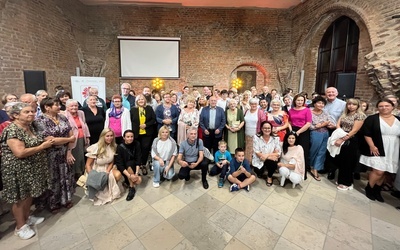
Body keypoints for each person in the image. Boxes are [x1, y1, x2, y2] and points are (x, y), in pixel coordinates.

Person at [1, 102, 53, 239]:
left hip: (31, 168)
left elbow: (37, 139)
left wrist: (45, 139)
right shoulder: (12, 130)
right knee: (20, 198)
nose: (31, 114)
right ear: (15, 115)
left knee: (29, 194)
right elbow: (20, 152)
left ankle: (27, 218)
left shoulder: (29, 127)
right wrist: (43, 146)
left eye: (32, 111)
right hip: (17, 170)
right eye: (27, 112)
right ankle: (20, 226)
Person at [34, 97, 76, 213]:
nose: (59, 107)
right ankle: (53, 202)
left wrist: (68, 149)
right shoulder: (39, 121)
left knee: (65, 175)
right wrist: (67, 139)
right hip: (50, 154)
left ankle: (65, 199)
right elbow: (50, 140)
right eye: (56, 105)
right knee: (53, 178)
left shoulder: (62, 117)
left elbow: (71, 133)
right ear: (47, 107)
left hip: (64, 151)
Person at [359, 99, 400, 202]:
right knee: (378, 170)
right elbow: (366, 133)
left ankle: (377, 190)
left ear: (392, 107)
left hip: (394, 147)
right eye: (381, 106)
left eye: (387, 106)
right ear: (378, 108)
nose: (384, 108)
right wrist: (372, 146)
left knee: (384, 170)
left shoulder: (398, 119)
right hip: (378, 146)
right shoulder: (372, 118)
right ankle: (370, 188)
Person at [333, 98, 366, 190]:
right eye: (349, 104)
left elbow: (354, 130)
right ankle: (341, 179)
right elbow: (338, 124)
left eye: (354, 104)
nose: (351, 106)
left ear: (357, 106)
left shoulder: (360, 115)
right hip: (341, 135)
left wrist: (342, 139)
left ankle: (346, 182)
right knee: (342, 160)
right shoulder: (345, 114)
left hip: (351, 139)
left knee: (348, 161)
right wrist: (340, 133)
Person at [85, 128, 123, 205]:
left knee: (117, 175)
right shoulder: (96, 147)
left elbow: (111, 161)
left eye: (111, 136)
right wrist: (92, 176)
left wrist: (107, 172)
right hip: (96, 169)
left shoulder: (114, 146)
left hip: (108, 167)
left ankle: (111, 190)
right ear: (103, 136)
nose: (110, 138)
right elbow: (88, 165)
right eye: (107, 136)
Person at [309, 96, 334, 181]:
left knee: (322, 152)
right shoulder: (309, 112)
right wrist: (322, 124)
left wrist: (323, 124)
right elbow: (310, 126)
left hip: (325, 133)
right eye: (319, 103)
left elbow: (329, 121)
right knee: (313, 150)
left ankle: (316, 169)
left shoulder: (325, 112)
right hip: (315, 133)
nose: (321, 105)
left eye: (323, 103)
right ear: (315, 103)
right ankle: (310, 166)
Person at [130, 94, 157, 175]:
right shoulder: (133, 110)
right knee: (137, 150)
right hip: (136, 133)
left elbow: (153, 119)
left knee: (145, 149)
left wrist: (146, 125)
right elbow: (130, 121)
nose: (141, 101)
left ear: (145, 100)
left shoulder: (149, 108)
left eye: (142, 99)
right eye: (139, 100)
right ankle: (137, 165)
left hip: (147, 133)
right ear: (136, 101)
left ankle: (143, 165)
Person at [65, 99, 91, 180]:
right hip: (72, 139)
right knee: (73, 157)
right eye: (72, 106)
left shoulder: (81, 113)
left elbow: (85, 124)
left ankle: (80, 173)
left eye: (76, 105)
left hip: (81, 137)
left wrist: (87, 136)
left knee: (81, 156)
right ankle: (73, 175)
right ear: (67, 107)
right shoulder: (64, 115)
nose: (74, 107)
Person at [288, 94, 312, 179]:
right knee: (293, 152)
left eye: (302, 100)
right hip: (293, 131)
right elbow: (289, 121)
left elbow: (308, 123)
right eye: (298, 100)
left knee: (303, 153)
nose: (300, 102)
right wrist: (291, 131)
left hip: (303, 132)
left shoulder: (307, 110)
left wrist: (298, 132)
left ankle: (302, 173)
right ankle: (291, 171)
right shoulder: (291, 110)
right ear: (295, 101)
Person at [115, 130, 142, 201]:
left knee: (139, 181)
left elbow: (138, 158)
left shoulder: (137, 144)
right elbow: (119, 164)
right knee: (129, 166)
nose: (130, 138)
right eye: (128, 137)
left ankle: (130, 182)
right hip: (124, 168)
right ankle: (131, 187)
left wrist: (136, 173)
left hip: (134, 165)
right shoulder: (120, 147)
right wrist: (130, 176)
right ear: (124, 138)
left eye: (131, 136)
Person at [252, 121, 281, 186]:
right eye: (265, 128)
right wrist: (270, 155)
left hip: (269, 159)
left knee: (273, 163)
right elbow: (257, 152)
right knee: (259, 172)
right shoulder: (256, 137)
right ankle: (262, 171)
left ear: (271, 129)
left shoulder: (276, 138)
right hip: (259, 158)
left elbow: (278, 153)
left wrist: (267, 155)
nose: (267, 130)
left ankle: (269, 177)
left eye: (268, 128)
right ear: (261, 129)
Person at [244, 97, 266, 163]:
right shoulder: (247, 111)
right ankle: (248, 163)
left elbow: (264, 123)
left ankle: (255, 164)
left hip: (256, 134)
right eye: (252, 104)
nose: (253, 105)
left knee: (255, 149)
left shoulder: (260, 112)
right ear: (249, 104)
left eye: (255, 104)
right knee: (248, 149)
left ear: (257, 104)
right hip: (247, 134)